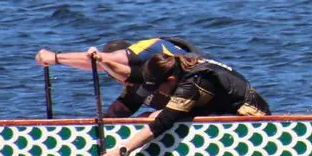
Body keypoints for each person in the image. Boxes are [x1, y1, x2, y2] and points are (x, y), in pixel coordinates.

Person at [100, 52, 270, 156]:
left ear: (170, 80)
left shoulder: (194, 81)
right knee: (150, 116)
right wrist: (102, 60)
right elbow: (135, 74)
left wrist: (121, 151)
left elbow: (164, 121)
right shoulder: (178, 65)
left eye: (158, 88)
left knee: (159, 117)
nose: (157, 92)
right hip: (222, 108)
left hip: (251, 118)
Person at [35, 36, 199, 117]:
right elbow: (114, 116)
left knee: (149, 117)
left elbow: (99, 59)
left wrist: (55, 58)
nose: (117, 80)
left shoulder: (142, 56)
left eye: (114, 72)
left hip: (205, 102)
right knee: (143, 118)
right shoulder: (134, 86)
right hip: (185, 113)